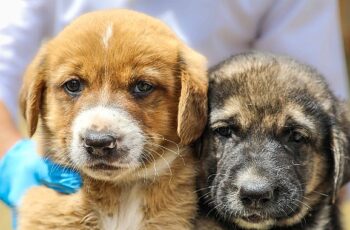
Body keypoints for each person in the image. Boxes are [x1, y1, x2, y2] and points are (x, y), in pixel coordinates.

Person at [0, 0, 348, 222]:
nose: (100, 129)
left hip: (199, 165)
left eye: (141, 87)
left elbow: (317, 107)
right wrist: (9, 158)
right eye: (73, 86)